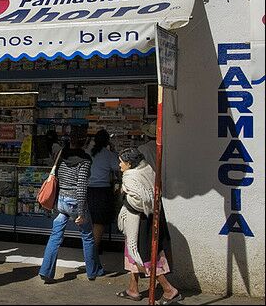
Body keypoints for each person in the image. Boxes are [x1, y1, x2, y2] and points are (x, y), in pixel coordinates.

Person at [115, 147, 182, 304]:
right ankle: (133, 289)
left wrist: (124, 194)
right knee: (134, 255)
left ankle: (169, 290)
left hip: (140, 222)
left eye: (121, 162)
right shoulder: (147, 169)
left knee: (144, 257)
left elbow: (138, 202)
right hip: (151, 218)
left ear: (129, 164)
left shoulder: (130, 178)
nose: (119, 166)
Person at [39, 131, 105, 284]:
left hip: (61, 201)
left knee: (55, 236)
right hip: (75, 202)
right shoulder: (84, 160)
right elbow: (81, 186)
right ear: (85, 143)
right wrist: (81, 212)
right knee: (88, 236)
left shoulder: (62, 155)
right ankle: (92, 271)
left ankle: (46, 271)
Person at [87, 129, 120, 255]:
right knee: (99, 221)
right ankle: (94, 248)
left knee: (91, 219)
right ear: (107, 141)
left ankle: (90, 246)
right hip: (102, 191)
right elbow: (118, 166)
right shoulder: (108, 154)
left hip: (88, 190)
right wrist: (113, 150)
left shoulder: (88, 152)